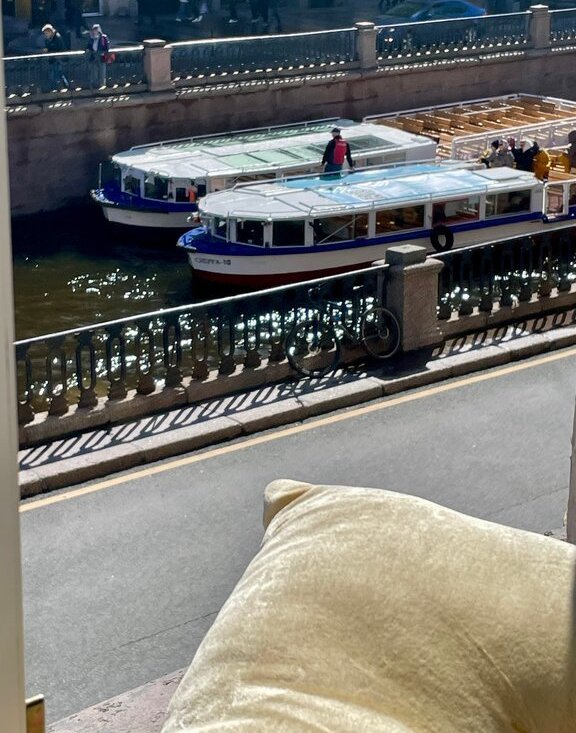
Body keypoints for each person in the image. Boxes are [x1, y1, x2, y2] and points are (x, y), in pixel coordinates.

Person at [42, 24, 69, 90]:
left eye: (46, 33)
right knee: (57, 74)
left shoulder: (57, 37)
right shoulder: (48, 39)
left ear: (50, 31)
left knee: (57, 74)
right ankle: (60, 87)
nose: (45, 35)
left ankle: (61, 87)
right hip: (52, 60)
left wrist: (49, 50)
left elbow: (59, 48)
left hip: (58, 60)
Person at [85, 23, 109, 89]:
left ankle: (102, 85)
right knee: (94, 72)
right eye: (93, 30)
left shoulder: (103, 38)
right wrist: (87, 50)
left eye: (95, 30)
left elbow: (106, 47)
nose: (94, 31)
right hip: (93, 56)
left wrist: (103, 53)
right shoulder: (91, 38)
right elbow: (88, 46)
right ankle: (95, 85)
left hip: (101, 57)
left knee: (102, 71)